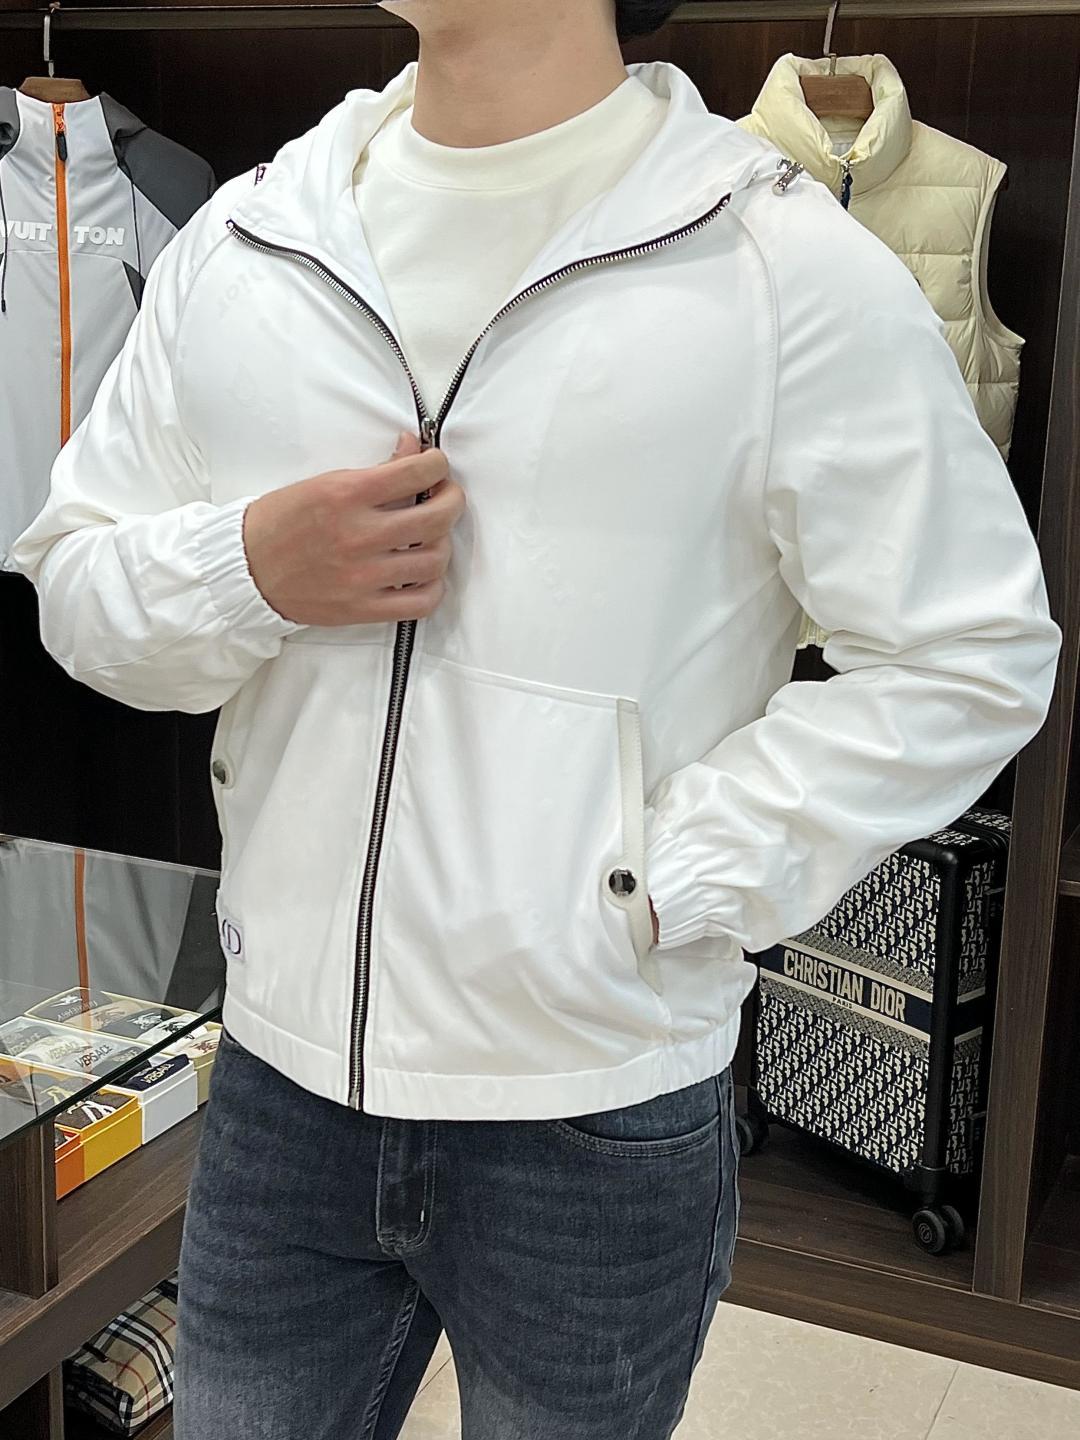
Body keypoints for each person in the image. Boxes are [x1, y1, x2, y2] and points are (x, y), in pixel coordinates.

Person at [8, 0, 1062, 1435]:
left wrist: (664, 879)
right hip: (276, 1080)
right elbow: (75, 580)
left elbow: (971, 652)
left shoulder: (774, 265)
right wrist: (248, 569)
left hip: (592, 1108)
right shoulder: (250, 239)